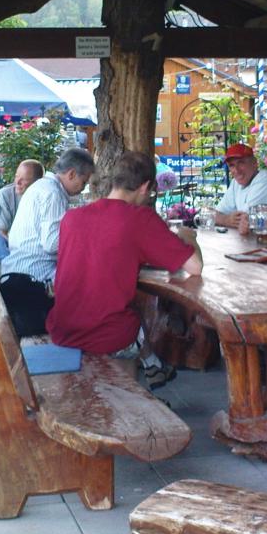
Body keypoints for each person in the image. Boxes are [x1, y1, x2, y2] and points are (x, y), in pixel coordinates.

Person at [47, 151, 202, 386]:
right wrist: (189, 238)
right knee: (129, 319)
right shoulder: (140, 218)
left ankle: (153, 367)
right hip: (105, 335)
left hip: (62, 329)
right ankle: (130, 398)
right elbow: (195, 267)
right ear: (144, 187)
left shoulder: (72, 217)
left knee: (129, 309)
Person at [0, 148, 94, 336]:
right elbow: (52, 244)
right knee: (93, 288)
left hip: (17, 274)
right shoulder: (53, 193)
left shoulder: (42, 186)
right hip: (32, 281)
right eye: (84, 182)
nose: (84, 187)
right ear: (72, 174)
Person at [214, 143, 267, 234]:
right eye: (232, 165)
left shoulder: (265, 179)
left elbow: (245, 220)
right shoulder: (235, 183)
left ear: (254, 163)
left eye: (241, 163)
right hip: (249, 242)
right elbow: (215, 214)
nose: (236, 170)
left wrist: (225, 219)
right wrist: (227, 219)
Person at [0, 159, 44, 236]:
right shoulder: (5, 195)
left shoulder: (46, 197)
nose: (17, 182)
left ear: (36, 182)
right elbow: (1, 232)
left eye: (24, 179)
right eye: (17, 176)